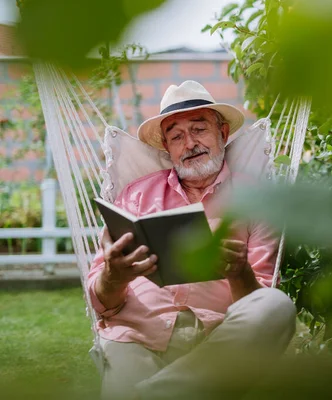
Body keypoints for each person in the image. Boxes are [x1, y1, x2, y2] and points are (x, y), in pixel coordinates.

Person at [87, 81, 296, 399]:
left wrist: (238, 271)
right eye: (176, 137)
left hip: (218, 340)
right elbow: (101, 301)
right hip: (135, 333)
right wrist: (113, 275)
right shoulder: (135, 195)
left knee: (276, 306)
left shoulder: (256, 200)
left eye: (199, 130)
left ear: (223, 134)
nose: (190, 144)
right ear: (167, 149)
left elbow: (258, 302)